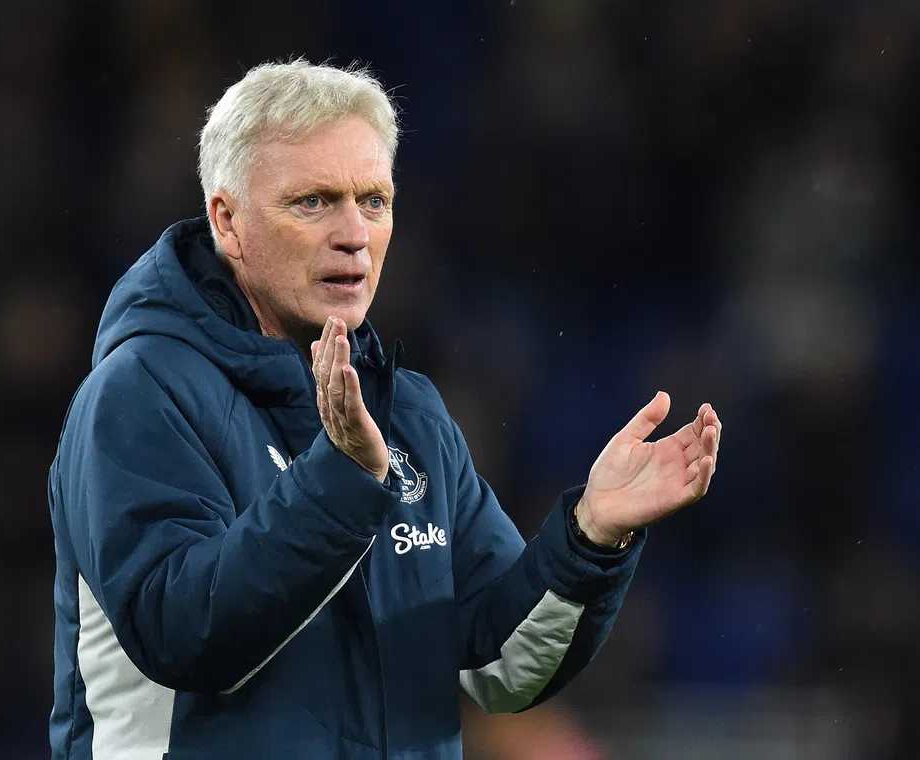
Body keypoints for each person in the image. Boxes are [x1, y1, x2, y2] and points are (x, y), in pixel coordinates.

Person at [47, 59, 722, 760]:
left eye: (374, 200)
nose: (355, 234)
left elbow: (498, 670)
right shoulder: (139, 394)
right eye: (312, 202)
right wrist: (341, 482)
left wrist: (589, 537)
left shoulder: (411, 416)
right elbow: (182, 638)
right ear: (228, 220)